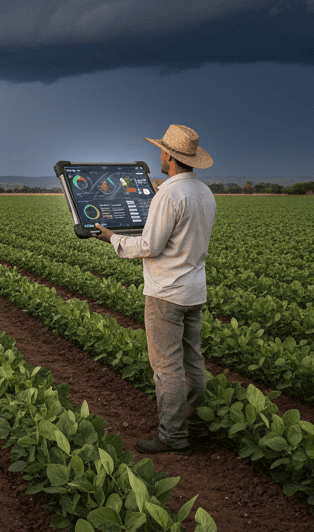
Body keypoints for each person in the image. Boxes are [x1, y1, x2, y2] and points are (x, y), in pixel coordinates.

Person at [91, 124, 216, 455]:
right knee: (193, 362)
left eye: (162, 150)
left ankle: (173, 435)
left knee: (166, 366)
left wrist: (113, 239)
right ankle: (198, 427)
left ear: (168, 156)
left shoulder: (168, 195)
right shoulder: (204, 192)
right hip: (194, 291)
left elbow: (150, 245)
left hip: (166, 293)